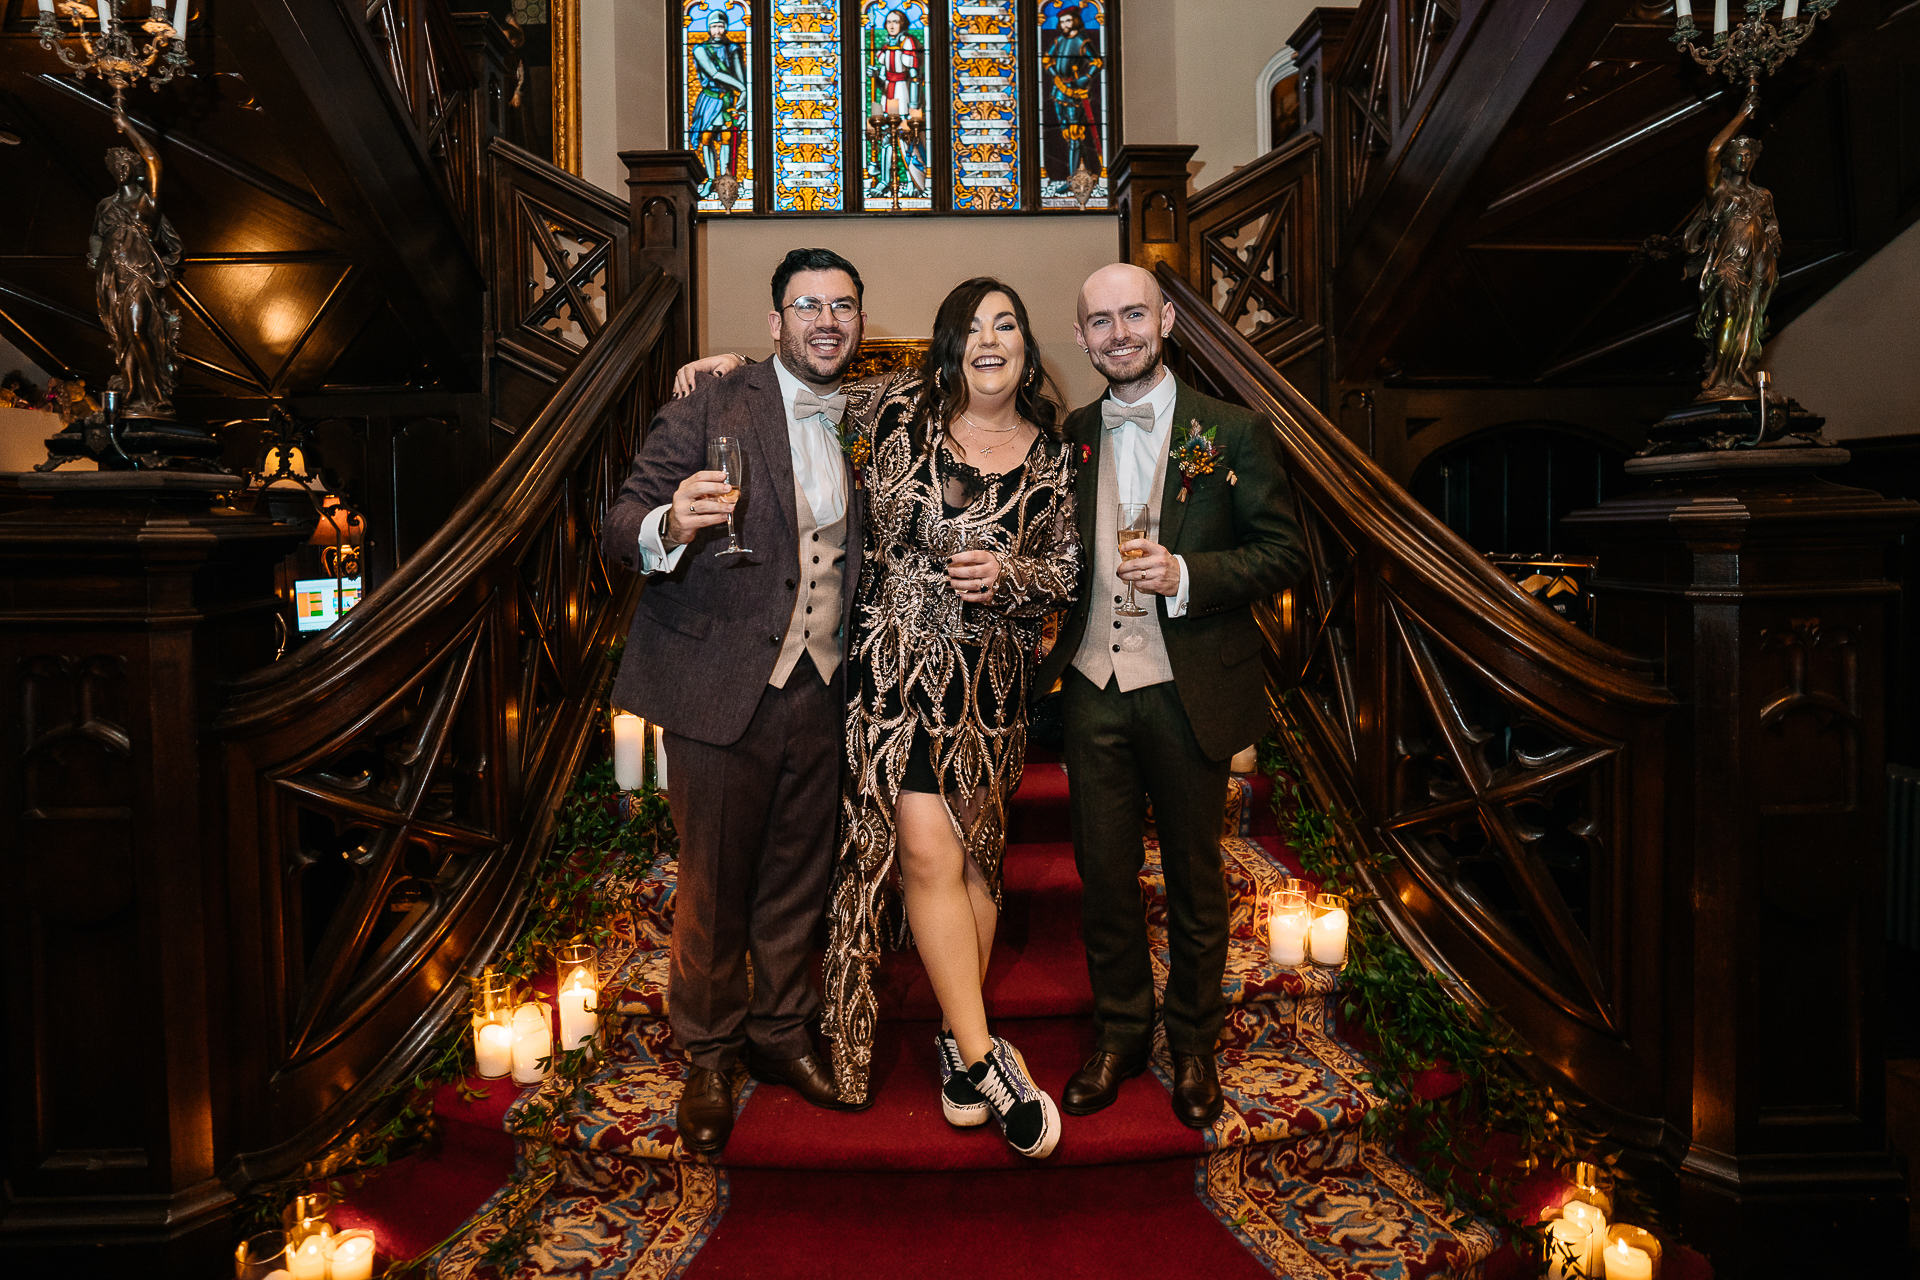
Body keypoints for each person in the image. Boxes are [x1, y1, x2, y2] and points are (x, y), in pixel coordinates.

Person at [679, 276, 1083, 1160]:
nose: (989, 340)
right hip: (895, 681)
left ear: (1025, 346)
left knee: (977, 866)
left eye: (1006, 324)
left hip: (994, 691)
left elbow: (1065, 572)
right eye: (971, 327)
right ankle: (988, 1059)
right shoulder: (895, 409)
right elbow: (803, 383)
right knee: (929, 851)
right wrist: (734, 365)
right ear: (948, 346)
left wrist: (1009, 578)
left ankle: (953, 1040)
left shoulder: (1051, 456)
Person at [602, 248, 870, 1156]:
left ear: (859, 323)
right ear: (775, 322)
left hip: (824, 686)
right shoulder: (712, 400)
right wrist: (671, 522)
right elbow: (617, 524)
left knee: (801, 873)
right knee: (713, 884)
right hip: (719, 684)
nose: (825, 321)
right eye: (806, 306)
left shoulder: (873, 414)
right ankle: (709, 1052)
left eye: (842, 307)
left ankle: (781, 1032)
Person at [1035, 262, 1306, 1130]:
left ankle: (1192, 1043)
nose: (1119, 333)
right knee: (1104, 876)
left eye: (1133, 315)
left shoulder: (1234, 432)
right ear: (1081, 338)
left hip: (1191, 688)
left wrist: (1188, 572)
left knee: (1194, 878)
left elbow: (1284, 554)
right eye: (1101, 321)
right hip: (1092, 688)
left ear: (1167, 321)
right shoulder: (1071, 435)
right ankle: (1120, 1034)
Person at [689, 8, 749, 203]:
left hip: (726, 100)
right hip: (709, 99)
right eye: (713, 26)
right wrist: (740, 86)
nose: (717, 30)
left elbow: (739, 73)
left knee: (726, 137)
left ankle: (725, 177)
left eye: (721, 26)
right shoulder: (700, 49)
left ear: (726, 27)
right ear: (708, 28)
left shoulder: (733, 48)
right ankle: (709, 178)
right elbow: (713, 73)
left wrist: (744, 92)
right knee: (706, 137)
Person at [1043, 5, 1102, 183]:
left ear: (1075, 21)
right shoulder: (1060, 40)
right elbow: (1047, 59)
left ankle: (1074, 180)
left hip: (1074, 92)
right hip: (1059, 90)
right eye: (1062, 22)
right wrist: (1054, 73)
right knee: (1068, 134)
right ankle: (1084, 173)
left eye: (1068, 20)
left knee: (1075, 134)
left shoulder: (1082, 41)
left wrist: (1085, 79)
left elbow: (1097, 62)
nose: (1065, 24)